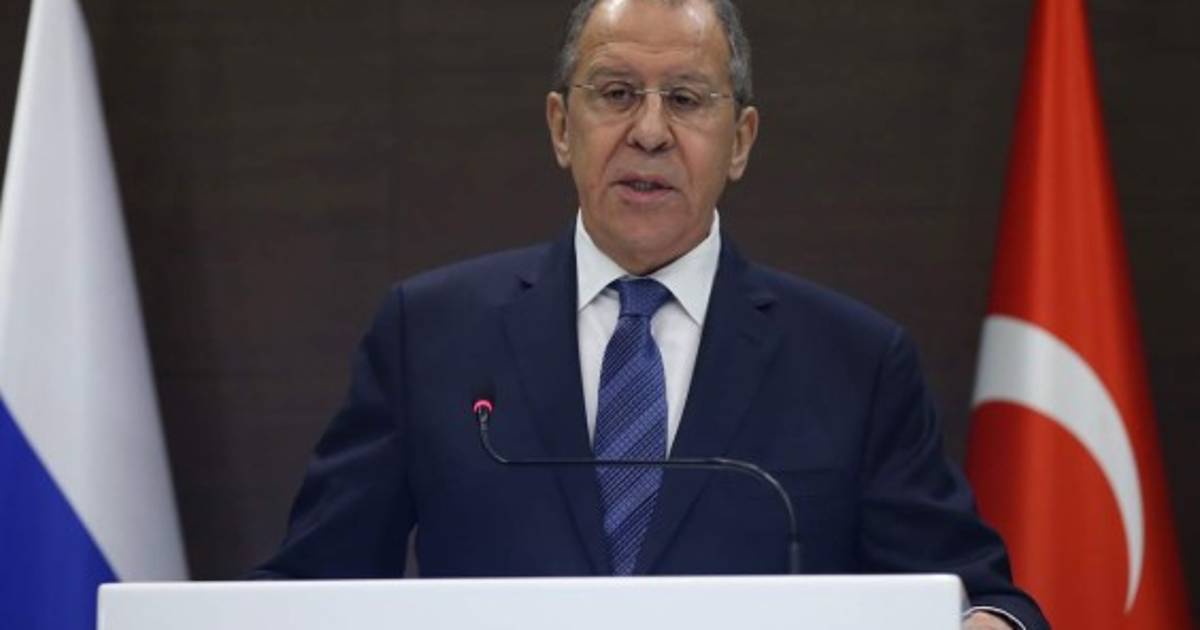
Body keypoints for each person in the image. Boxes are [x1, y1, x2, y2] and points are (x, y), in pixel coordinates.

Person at [255, 1, 1047, 628]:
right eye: (616, 93)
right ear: (561, 126)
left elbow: (982, 597)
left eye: (687, 100)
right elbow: (308, 589)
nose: (650, 132)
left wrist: (983, 623)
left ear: (740, 141)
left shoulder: (855, 363)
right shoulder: (429, 336)